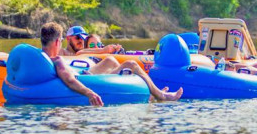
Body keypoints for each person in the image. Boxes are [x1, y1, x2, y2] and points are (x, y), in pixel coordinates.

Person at [51, 23, 182, 102]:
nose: (80, 41)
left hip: (89, 76)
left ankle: (150, 94)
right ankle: (159, 94)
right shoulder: (61, 53)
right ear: (67, 39)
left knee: (112, 61)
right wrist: (104, 49)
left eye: (82, 39)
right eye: (77, 38)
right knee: (126, 64)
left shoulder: (85, 54)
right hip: (84, 78)